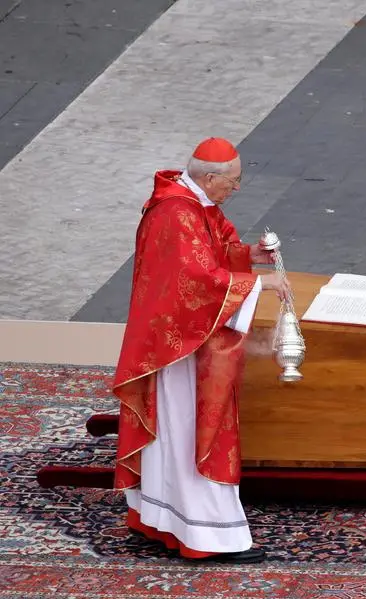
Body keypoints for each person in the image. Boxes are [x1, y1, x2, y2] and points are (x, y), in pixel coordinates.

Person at [112, 137, 291, 564]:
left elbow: (214, 254)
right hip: (179, 347)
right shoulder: (176, 213)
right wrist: (258, 283)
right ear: (209, 178)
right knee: (192, 429)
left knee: (171, 434)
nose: (236, 189)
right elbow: (194, 282)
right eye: (233, 181)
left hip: (174, 338)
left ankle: (158, 515)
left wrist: (251, 255)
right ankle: (210, 533)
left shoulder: (192, 203)